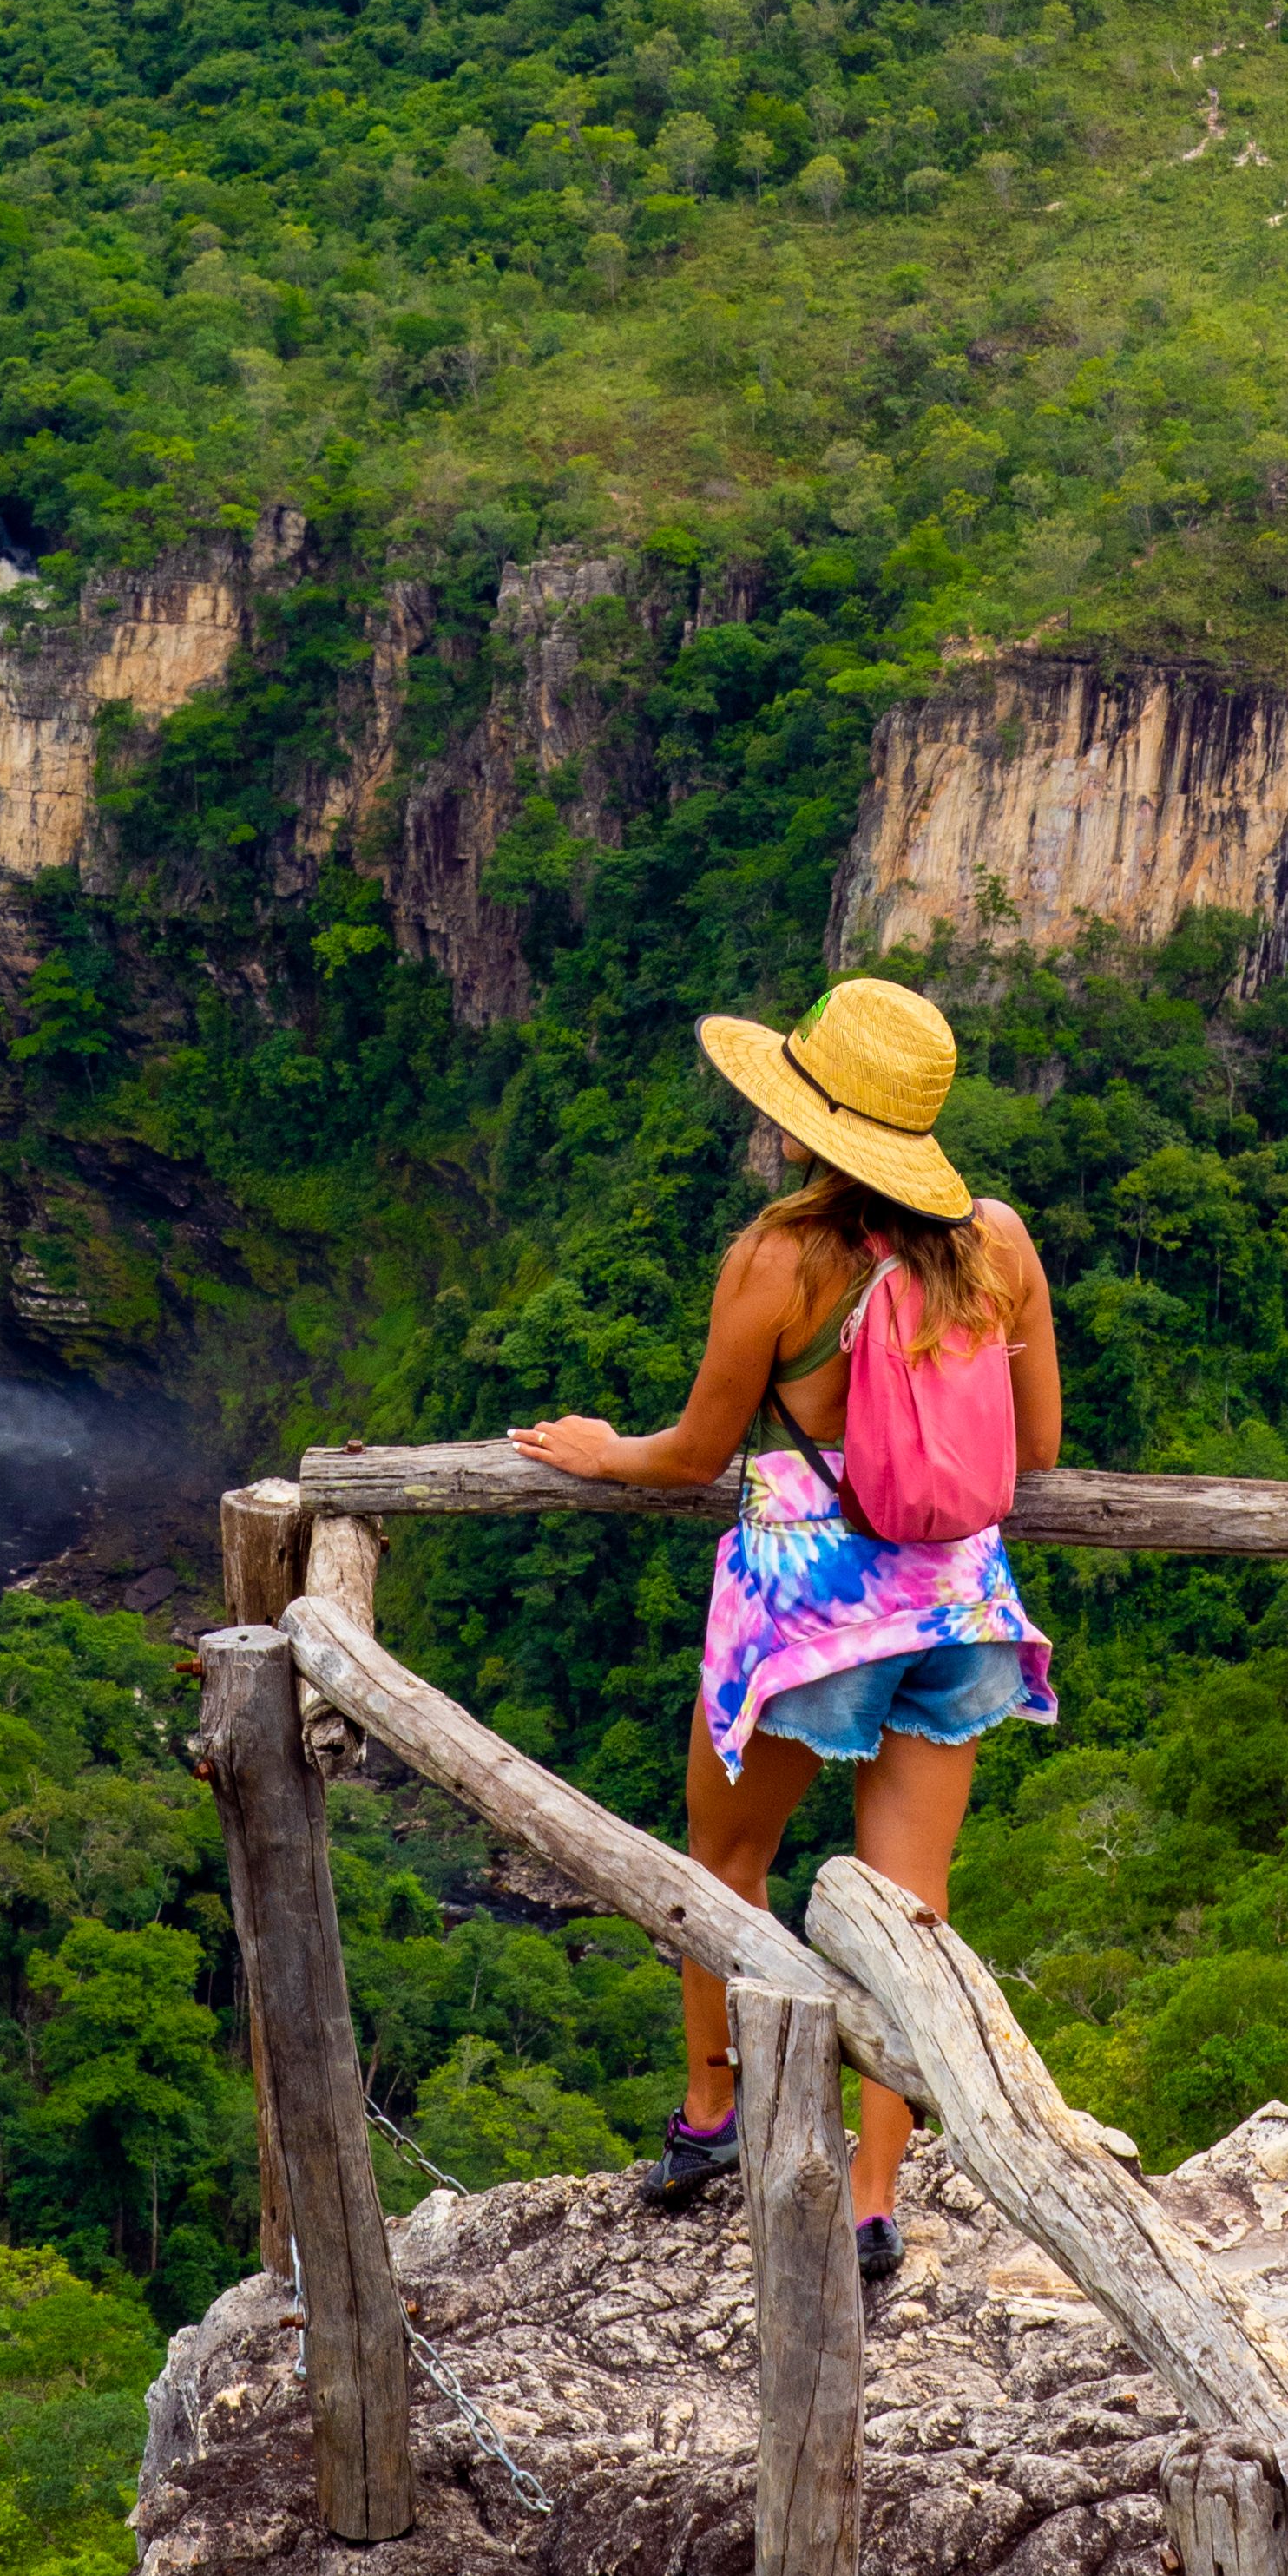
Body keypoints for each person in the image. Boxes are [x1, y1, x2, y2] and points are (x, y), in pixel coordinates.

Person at [508, 970, 1061, 2284]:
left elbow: (697, 1454)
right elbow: (1037, 1446)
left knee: (722, 1871)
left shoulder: (780, 1257)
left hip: (807, 1615)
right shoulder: (1000, 1243)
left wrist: (597, 1449)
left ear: (809, 1116)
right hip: (957, 1607)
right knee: (909, 1909)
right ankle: (871, 2202)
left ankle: (713, 2119)